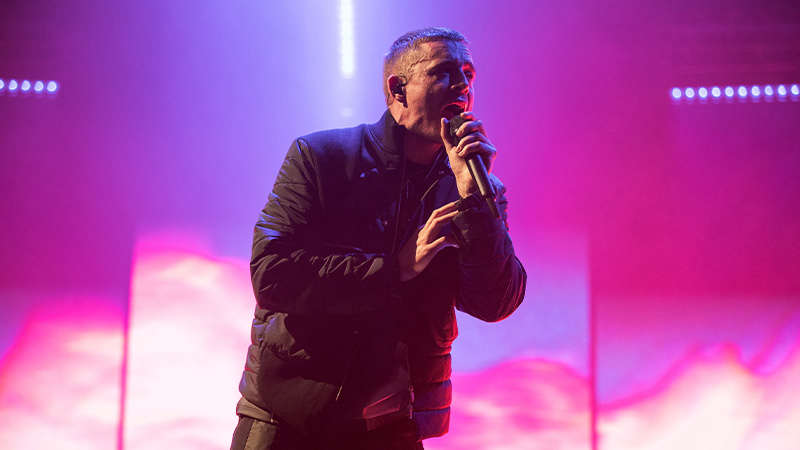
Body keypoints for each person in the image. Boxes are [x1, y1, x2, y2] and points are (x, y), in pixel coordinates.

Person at [231, 27, 526, 450]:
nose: (463, 85)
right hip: (288, 421)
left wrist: (478, 206)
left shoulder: (470, 189)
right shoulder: (322, 159)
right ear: (397, 89)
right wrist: (396, 268)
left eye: (468, 74)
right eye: (444, 72)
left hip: (391, 427)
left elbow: (497, 301)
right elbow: (272, 274)